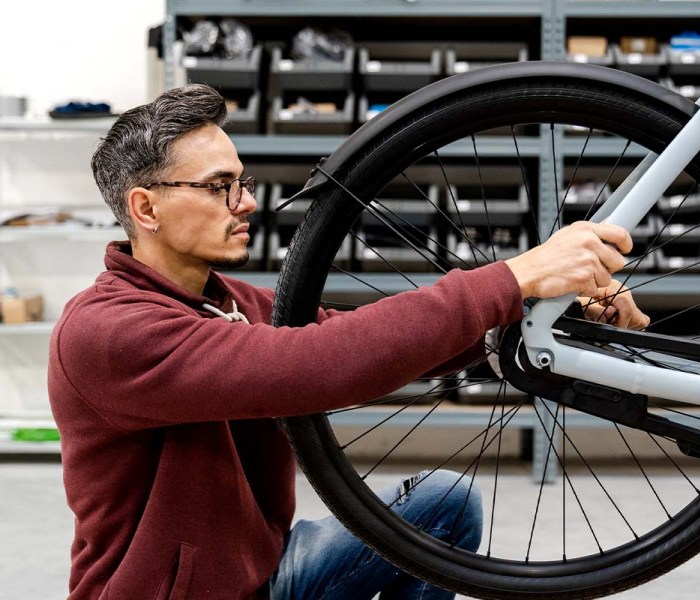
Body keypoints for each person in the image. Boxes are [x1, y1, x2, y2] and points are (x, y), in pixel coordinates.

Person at [48, 83, 649, 600]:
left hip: (265, 568)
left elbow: (356, 339)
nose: (247, 202)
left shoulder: (229, 301)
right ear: (146, 208)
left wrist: (528, 314)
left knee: (443, 503)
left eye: (244, 182)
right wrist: (511, 276)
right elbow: (311, 364)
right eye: (220, 186)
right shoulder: (106, 332)